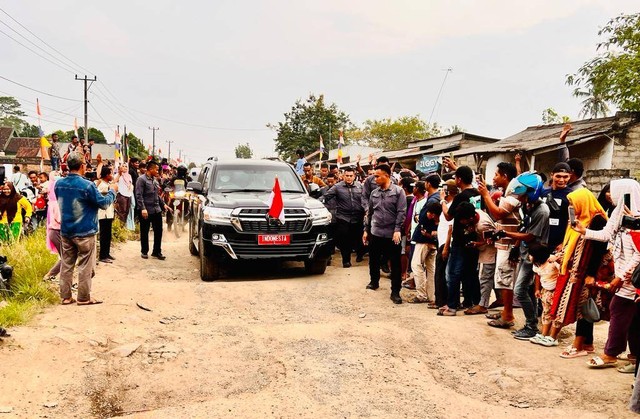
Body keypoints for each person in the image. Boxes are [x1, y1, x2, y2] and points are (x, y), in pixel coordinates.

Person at [572, 179, 640, 368]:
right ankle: (635, 356)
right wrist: (584, 230)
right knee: (633, 316)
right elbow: (606, 234)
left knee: (618, 309)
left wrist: (621, 277)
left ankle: (611, 353)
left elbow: (639, 253)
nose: (609, 194)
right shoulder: (619, 212)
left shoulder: (637, 218)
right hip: (623, 272)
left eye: (613, 191)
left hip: (632, 276)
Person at [545, 188, 609, 352]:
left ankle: (579, 345)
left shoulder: (598, 221)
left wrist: (590, 274)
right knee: (584, 305)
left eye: (574, 203)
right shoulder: (582, 219)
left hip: (585, 271)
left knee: (583, 305)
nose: (572, 207)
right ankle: (587, 344)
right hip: (577, 271)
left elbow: (598, 250)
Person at [493, 172, 550, 339]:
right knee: (528, 290)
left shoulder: (542, 211)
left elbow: (530, 236)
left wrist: (506, 234)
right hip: (526, 254)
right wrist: (515, 248)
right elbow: (523, 229)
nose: (520, 198)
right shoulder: (528, 206)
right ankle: (531, 323)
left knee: (519, 290)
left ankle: (531, 325)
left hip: (535, 255)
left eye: (523, 195)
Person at [55, 152, 117, 305]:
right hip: (85, 231)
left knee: (67, 264)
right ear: (82, 166)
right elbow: (103, 203)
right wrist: (112, 192)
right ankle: (83, 297)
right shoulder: (87, 185)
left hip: (66, 230)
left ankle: (66, 297)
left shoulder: (59, 183)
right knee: (85, 265)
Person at [478, 161, 519, 319]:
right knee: (502, 279)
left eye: (496, 175)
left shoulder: (514, 194)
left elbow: (498, 214)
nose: (494, 178)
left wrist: (486, 195)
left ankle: (508, 315)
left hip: (509, 243)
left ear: (505, 176)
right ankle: (505, 312)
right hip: (504, 243)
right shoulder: (508, 192)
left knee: (505, 278)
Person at [439, 166, 481, 315]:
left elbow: (448, 216)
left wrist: (443, 202)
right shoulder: (478, 194)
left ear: (459, 179)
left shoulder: (460, 197)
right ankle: (471, 302)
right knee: (470, 272)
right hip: (474, 239)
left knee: (453, 274)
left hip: (460, 240)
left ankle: (452, 306)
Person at [362, 164, 407, 304]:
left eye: (377, 176)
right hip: (376, 231)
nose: (374, 178)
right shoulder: (374, 193)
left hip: (392, 233)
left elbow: (401, 212)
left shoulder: (398, 192)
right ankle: (374, 281)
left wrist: (397, 230)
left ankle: (395, 292)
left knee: (395, 263)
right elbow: (370, 213)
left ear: (387, 176)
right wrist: (366, 230)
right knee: (373, 259)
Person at [323, 167, 365, 267]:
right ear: (343, 176)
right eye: (347, 176)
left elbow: (365, 199)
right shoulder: (337, 187)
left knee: (358, 238)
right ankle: (346, 261)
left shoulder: (360, 187)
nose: (349, 178)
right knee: (345, 240)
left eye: (351, 176)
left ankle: (360, 254)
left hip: (358, 217)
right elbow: (326, 197)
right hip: (343, 217)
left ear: (354, 177)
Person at [135, 160, 169, 260]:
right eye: (156, 169)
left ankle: (156, 251)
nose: (158, 172)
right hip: (146, 210)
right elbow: (139, 195)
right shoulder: (141, 180)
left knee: (159, 231)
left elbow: (157, 195)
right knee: (144, 231)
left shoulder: (154, 180)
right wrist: (143, 208)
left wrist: (164, 205)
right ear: (150, 169)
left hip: (156, 209)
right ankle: (144, 251)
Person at [528, 243, 561, 347]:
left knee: (556, 314)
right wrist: (537, 289)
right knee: (546, 312)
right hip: (546, 291)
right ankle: (543, 334)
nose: (529, 257)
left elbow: (562, 272)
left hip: (556, 292)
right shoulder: (536, 264)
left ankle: (553, 337)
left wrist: (557, 259)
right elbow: (537, 275)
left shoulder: (552, 261)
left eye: (531, 255)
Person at [409, 200, 441, 304]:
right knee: (431, 269)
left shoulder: (429, 217)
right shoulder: (428, 214)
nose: (429, 215)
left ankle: (422, 294)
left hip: (424, 242)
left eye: (432, 214)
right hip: (430, 242)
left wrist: (431, 235)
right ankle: (431, 295)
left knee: (416, 265)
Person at [435, 179, 457, 309]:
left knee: (442, 274)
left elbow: (450, 227)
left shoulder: (450, 206)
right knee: (441, 273)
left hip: (446, 244)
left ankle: (442, 301)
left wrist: (446, 247)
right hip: (442, 242)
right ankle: (440, 300)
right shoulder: (448, 204)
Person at [96, 166, 116, 264]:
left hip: (108, 213)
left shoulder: (106, 184)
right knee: (104, 235)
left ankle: (106, 253)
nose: (112, 176)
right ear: (107, 175)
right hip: (103, 214)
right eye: (111, 174)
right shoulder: (102, 185)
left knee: (108, 235)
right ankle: (102, 255)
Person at [44, 177, 62, 281]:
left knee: (65, 257)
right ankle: (50, 275)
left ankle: (52, 275)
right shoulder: (57, 203)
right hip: (56, 232)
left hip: (55, 232)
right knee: (66, 257)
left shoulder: (53, 202)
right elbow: (60, 219)